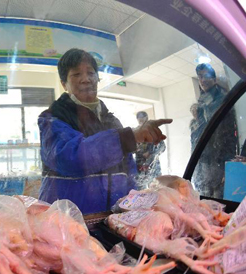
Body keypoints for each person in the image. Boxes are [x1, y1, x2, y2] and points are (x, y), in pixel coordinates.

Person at [38, 48, 172, 215]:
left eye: (90, 73)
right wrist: (129, 137)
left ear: (97, 79)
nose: (85, 79)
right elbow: (72, 158)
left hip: (111, 220)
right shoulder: (52, 118)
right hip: (67, 221)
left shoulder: (112, 122)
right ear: (64, 83)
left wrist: (131, 206)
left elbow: (128, 170)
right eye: (76, 74)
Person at [192, 63, 238, 198]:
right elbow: (199, 133)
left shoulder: (223, 99)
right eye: (200, 77)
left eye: (206, 76)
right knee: (205, 198)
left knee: (218, 200)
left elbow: (229, 133)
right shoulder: (201, 101)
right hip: (204, 159)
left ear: (214, 79)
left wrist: (226, 162)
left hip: (218, 159)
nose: (202, 80)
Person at [134, 111, 166, 189]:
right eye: (139, 119)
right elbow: (130, 148)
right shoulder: (135, 132)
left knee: (156, 190)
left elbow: (162, 147)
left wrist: (151, 153)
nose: (141, 121)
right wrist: (135, 149)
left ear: (147, 119)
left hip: (153, 166)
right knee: (141, 192)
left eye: (142, 119)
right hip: (140, 167)